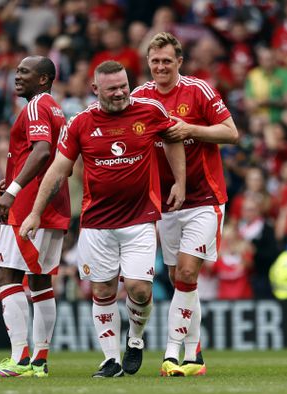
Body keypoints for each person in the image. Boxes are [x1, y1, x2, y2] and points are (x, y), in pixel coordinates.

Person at [20, 60, 186, 378]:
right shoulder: (81, 123)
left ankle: (135, 340)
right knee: (103, 290)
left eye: (123, 85)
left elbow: (173, 138)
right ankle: (110, 359)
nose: (121, 92)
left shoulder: (149, 111)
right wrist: (35, 212)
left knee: (139, 290)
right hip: (97, 224)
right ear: (96, 90)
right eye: (112, 88)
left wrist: (180, 181)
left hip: (139, 220)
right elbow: (57, 169)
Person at [132, 32, 239, 377]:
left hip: (205, 197)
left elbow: (230, 132)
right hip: (165, 203)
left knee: (189, 273)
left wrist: (190, 129)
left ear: (179, 62)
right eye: (155, 61)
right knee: (180, 277)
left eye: (167, 61)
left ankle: (171, 354)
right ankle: (196, 357)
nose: (161, 66)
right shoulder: (141, 98)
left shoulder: (199, 91)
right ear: (149, 63)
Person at [0, 56, 70, 378]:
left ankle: (19, 360)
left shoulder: (35, 107)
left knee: (6, 277)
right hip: (53, 204)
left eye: (25, 72)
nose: (17, 77)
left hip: (30, 207)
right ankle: (39, 361)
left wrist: (12, 191)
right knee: (41, 281)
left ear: (43, 79)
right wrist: (15, 176)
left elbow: (42, 150)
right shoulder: (55, 107)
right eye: (17, 71)